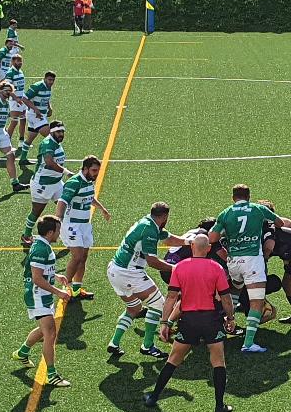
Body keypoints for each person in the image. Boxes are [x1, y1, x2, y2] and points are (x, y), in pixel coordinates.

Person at [144, 234, 237, 412]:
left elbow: (171, 298)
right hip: (210, 319)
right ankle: (220, 406)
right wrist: (231, 318)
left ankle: (153, 397)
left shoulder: (180, 267)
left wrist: (165, 322)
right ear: (209, 248)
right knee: (218, 361)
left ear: (192, 246)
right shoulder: (216, 267)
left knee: (173, 360)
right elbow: (226, 298)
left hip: (188, 321)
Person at [208, 185, 287, 353]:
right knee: (256, 301)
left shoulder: (226, 212)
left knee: (235, 290)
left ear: (233, 197)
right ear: (249, 196)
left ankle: (226, 325)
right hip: (252, 261)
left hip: (234, 261)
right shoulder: (258, 209)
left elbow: (212, 238)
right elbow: (279, 222)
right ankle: (248, 343)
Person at [106, 202, 190, 359]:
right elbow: (152, 261)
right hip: (129, 273)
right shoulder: (150, 230)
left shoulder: (148, 223)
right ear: (165, 216)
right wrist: (175, 269)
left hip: (114, 271)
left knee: (134, 308)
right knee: (159, 304)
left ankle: (114, 343)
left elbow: (168, 238)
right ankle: (148, 346)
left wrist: (188, 242)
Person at [9, 215, 73, 387]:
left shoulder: (42, 245)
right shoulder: (40, 250)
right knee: (50, 334)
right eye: (58, 231)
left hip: (43, 294)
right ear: (50, 232)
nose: (59, 234)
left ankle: (22, 353)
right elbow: (37, 278)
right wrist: (58, 292)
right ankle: (52, 375)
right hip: (37, 295)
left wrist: (55, 276)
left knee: (45, 330)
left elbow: (41, 271)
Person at [55, 156, 111, 300]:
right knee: (77, 256)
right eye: (93, 170)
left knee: (83, 257)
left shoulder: (89, 181)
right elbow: (62, 202)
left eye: (97, 171)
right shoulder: (74, 183)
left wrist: (102, 209)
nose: (96, 173)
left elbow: (89, 197)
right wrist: (57, 221)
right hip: (71, 225)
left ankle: (76, 290)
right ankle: (63, 289)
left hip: (85, 225)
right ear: (85, 169)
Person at [21, 120, 67, 246]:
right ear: (51, 132)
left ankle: (65, 234)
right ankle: (26, 235)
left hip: (57, 183)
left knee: (67, 208)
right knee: (36, 212)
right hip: (43, 184)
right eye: (58, 131)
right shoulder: (48, 143)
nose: (61, 134)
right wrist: (66, 171)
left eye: (62, 131)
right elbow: (49, 162)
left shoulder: (56, 143)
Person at [17, 71, 55, 166]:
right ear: (45, 78)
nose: (51, 82)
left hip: (40, 115)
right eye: (49, 80)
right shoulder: (37, 86)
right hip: (35, 116)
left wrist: (49, 108)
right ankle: (47, 159)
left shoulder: (48, 87)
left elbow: (46, 99)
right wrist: (36, 110)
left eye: (53, 80)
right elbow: (24, 99)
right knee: (52, 137)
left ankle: (23, 158)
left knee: (30, 138)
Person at [3, 54, 29, 145]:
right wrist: (16, 98)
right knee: (14, 121)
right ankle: (6, 142)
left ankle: (21, 141)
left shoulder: (20, 72)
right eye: (18, 61)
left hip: (22, 100)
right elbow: (7, 89)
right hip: (14, 101)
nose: (20, 63)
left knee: (23, 119)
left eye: (21, 61)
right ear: (13, 62)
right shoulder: (10, 73)